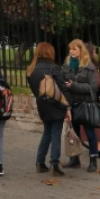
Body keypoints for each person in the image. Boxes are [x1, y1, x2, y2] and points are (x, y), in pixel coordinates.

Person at [26, 42, 70, 176]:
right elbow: (63, 88)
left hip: (42, 104)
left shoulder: (31, 69)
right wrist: (68, 105)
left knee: (47, 133)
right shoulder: (53, 68)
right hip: (56, 104)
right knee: (56, 133)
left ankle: (40, 162)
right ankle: (54, 164)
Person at [62, 39, 100, 173]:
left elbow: (93, 87)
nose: (71, 51)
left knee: (89, 132)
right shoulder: (66, 64)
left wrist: (74, 86)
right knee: (74, 132)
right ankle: (74, 159)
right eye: (70, 49)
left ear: (81, 50)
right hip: (72, 103)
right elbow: (62, 80)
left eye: (74, 49)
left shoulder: (89, 66)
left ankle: (93, 160)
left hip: (86, 104)